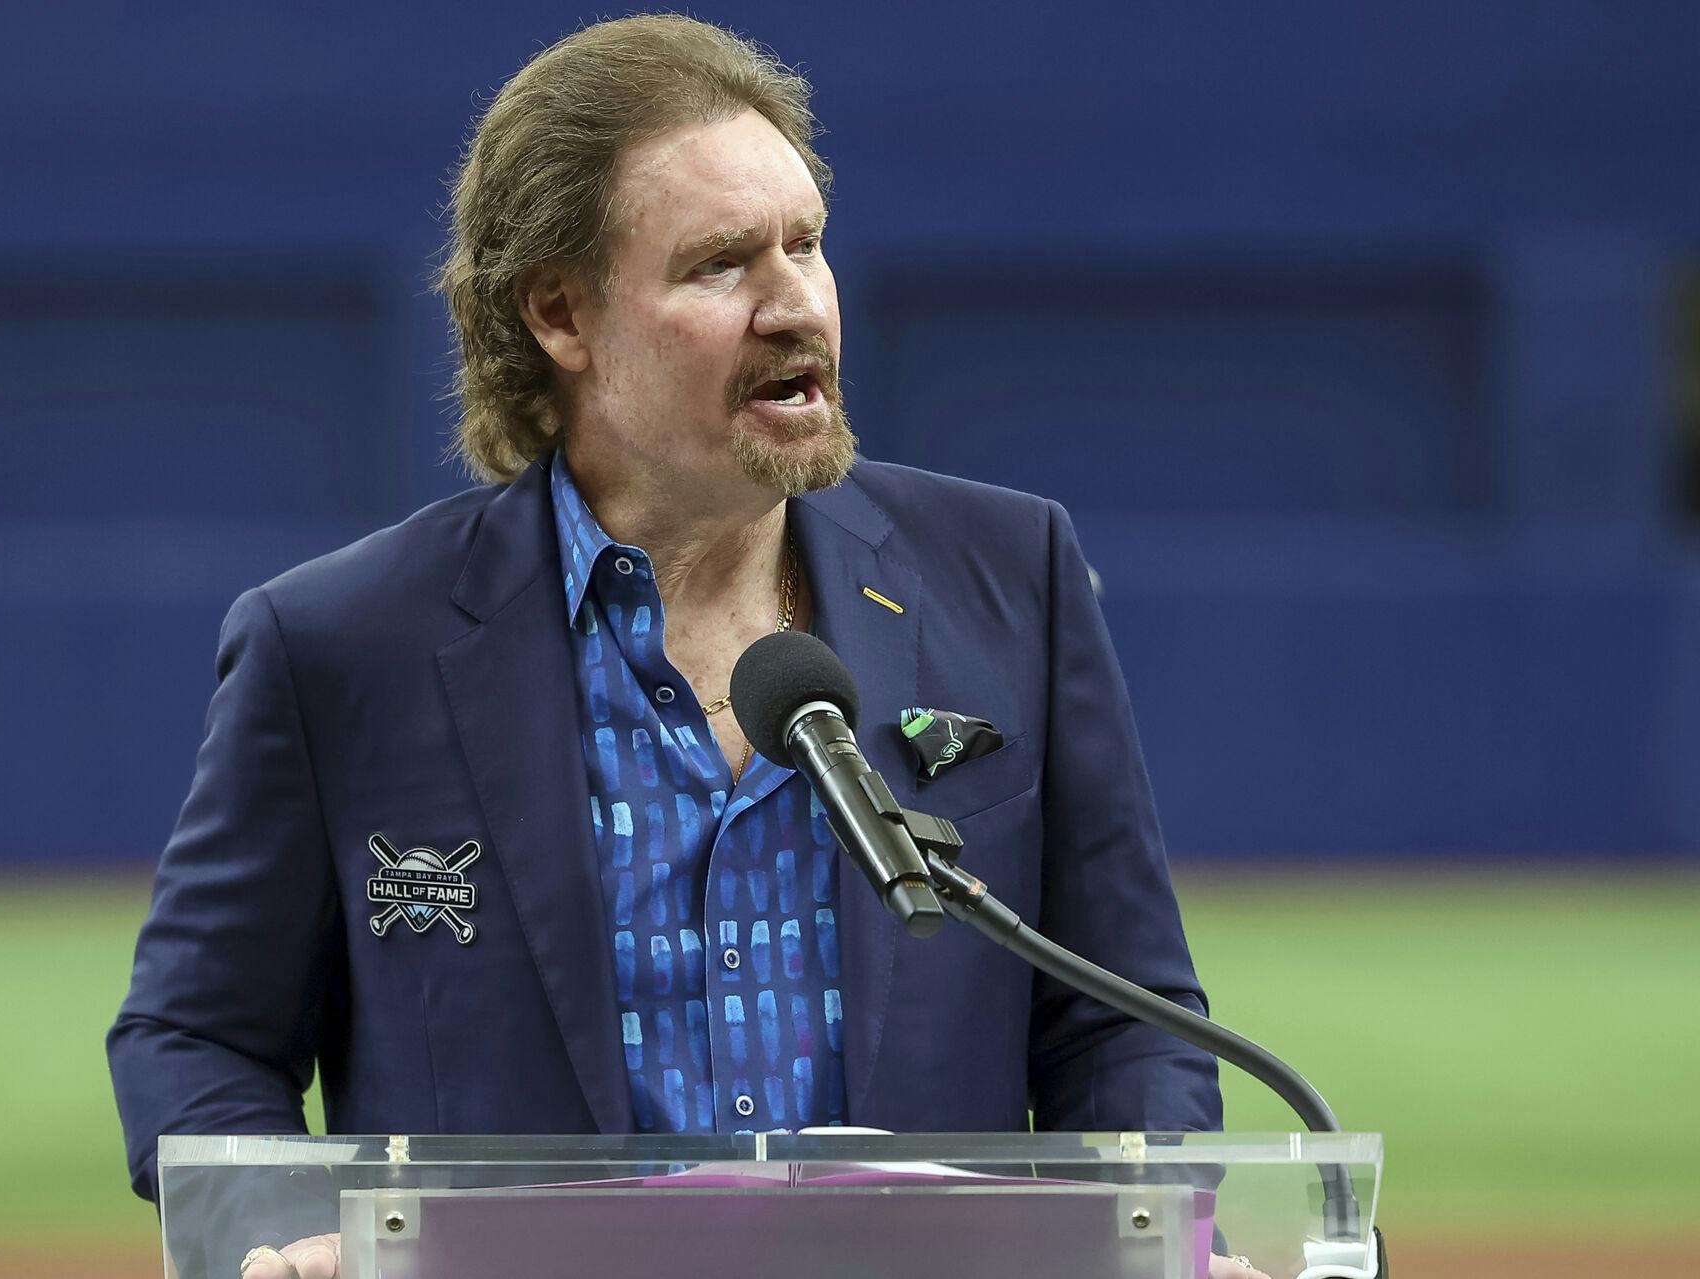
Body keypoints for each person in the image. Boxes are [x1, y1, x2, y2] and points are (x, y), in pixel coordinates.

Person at [108, 14, 1261, 1278]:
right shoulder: (337, 644)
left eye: (807, 244)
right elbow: (197, 1037)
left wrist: (1153, 1241)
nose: (794, 303)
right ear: (561, 311)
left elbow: (1125, 1026)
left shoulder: (1012, 576)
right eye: (723, 265)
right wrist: (285, 1242)